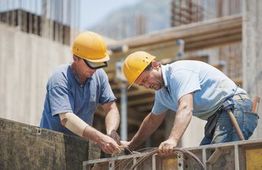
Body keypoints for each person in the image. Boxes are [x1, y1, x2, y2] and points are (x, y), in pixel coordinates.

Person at [121, 51, 259, 156]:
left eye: (145, 79)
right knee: (202, 160)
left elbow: (186, 107)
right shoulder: (162, 93)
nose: (146, 85)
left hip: (234, 107)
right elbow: (152, 120)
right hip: (218, 117)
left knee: (219, 159)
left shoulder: (178, 73)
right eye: (142, 84)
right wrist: (131, 145)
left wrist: (172, 140)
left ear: (155, 65)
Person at [40, 31, 121, 154]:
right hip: (50, 147)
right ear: (75, 58)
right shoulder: (60, 78)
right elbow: (66, 118)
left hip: (79, 147)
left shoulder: (99, 75)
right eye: (91, 63)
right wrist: (100, 138)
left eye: (98, 63)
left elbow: (111, 108)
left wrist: (111, 132)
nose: (94, 68)